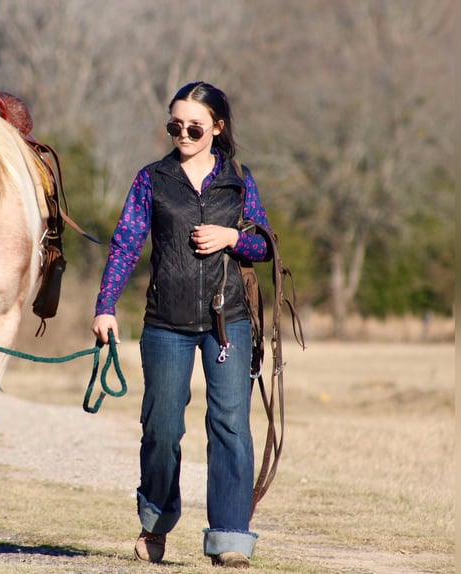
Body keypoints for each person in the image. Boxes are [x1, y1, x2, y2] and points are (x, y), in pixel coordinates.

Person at [90, 81, 272, 568]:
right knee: (162, 428)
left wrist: (233, 235)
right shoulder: (152, 178)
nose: (183, 133)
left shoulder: (238, 179)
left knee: (231, 426)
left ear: (217, 127)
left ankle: (231, 536)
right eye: (175, 126)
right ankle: (155, 523)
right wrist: (105, 305)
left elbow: (265, 244)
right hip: (165, 322)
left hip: (227, 320)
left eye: (194, 126)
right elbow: (127, 242)